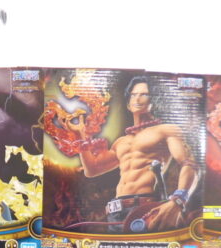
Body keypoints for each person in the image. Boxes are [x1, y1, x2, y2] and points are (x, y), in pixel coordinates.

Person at [66, 75, 197, 232]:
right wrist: (80, 134)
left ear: (154, 100)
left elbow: (189, 164)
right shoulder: (121, 142)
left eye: (144, 94)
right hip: (115, 213)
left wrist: (178, 200)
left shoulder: (166, 130)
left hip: (145, 210)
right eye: (133, 95)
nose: (137, 99)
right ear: (128, 103)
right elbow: (92, 170)